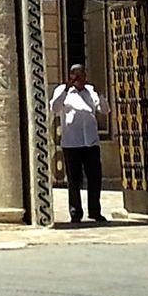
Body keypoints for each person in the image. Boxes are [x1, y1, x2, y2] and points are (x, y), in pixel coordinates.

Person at [51, 63, 107, 224]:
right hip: (72, 143)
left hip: (91, 142)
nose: (80, 78)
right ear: (70, 76)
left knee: (95, 178)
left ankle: (95, 211)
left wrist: (101, 95)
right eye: (76, 75)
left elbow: (104, 110)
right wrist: (67, 88)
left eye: (82, 74)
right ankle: (75, 213)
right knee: (74, 181)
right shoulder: (62, 91)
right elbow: (54, 108)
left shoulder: (90, 91)